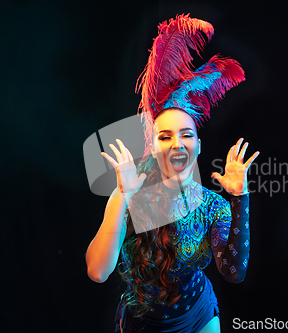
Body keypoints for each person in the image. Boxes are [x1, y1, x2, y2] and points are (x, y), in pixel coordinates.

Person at [85, 14, 259, 333]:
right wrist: (122, 196)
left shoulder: (212, 206)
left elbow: (234, 273)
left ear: (198, 146)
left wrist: (239, 199)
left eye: (186, 135)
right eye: (165, 136)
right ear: (153, 146)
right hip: (141, 323)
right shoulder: (130, 195)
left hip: (199, 317)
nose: (177, 144)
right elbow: (98, 271)